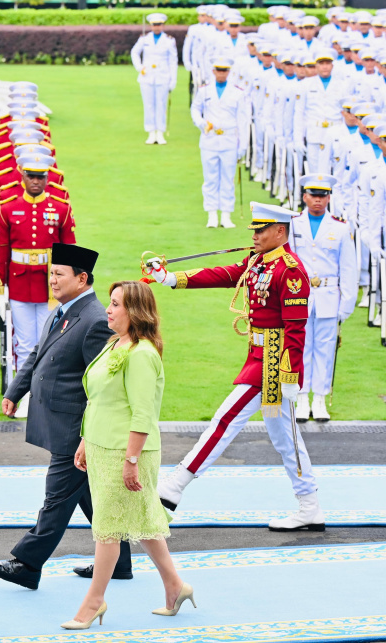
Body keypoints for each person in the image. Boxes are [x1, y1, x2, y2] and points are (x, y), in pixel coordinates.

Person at [150, 202, 325, 532]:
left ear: (280, 232)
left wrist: (290, 376)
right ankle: (310, 505)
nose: (255, 235)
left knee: (224, 420)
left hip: (273, 364)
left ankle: (174, 487)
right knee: (286, 438)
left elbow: (296, 329)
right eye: (255, 230)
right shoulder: (259, 260)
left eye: (261, 230)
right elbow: (227, 274)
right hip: (258, 357)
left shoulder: (290, 271)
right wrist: (173, 278)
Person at [0, 243, 133, 591]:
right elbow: (39, 354)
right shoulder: (60, 311)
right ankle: (120, 562)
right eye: (51, 273)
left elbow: (103, 384)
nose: (52, 279)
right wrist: (15, 390)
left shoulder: (96, 320)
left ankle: (27, 564)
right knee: (89, 496)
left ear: (82, 279)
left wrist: (88, 435)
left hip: (76, 429)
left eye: (58, 274)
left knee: (56, 498)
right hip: (60, 424)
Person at [63, 281, 192, 631]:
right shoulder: (114, 344)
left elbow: (141, 414)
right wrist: (86, 440)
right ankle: (176, 587)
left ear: (134, 312)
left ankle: (94, 601)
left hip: (128, 452)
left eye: (116, 304)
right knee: (140, 521)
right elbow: (99, 399)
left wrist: (131, 460)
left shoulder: (143, 354)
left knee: (107, 527)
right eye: (110, 302)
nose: (108, 309)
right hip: (104, 447)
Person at [0, 153, 76, 417]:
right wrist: (1, 288)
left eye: (41, 176)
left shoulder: (60, 208)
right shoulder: (8, 208)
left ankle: (48, 395)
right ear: (22, 175)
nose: (36, 181)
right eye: (31, 176)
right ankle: (24, 395)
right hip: (19, 285)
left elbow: (70, 250)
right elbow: (0, 250)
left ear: (47, 178)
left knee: (52, 343)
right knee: (24, 343)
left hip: (52, 288)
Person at [290, 174, 357, 421]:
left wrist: (346, 304)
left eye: (323, 196)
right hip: (300, 295)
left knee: (326, 349)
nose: (318, 201)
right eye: (313, 195)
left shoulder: (340, 227)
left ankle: (319, 399)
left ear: (329, 197)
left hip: (329, 295)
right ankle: (301, 398)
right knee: (301, 347)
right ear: (305, 196)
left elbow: (348, 268)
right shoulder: (293, 224)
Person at [191, 57, 248, 229]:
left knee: (227, 178)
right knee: (210, 178)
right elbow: (195, 109)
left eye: (225, 70)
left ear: (229, 72)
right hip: (210, 138)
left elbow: (243, 120)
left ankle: (226, 214)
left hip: (229, 139)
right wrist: (201, 123)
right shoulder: (204, 91)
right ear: (213, 71)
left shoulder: (238, 92)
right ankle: (211, 214)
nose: (221, 73)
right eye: (218, 70)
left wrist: (243, 145)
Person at [131, 13, 178, 145]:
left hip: (163, 76)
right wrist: (140, 67)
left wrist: (173, 80)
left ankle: (160, 132)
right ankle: (151, 132)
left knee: (161, 105)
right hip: (147, 76)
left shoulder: (169, 40)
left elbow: (173, 61)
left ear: (163, 25)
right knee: (149, 105)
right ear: (151, 26)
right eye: (154, 25)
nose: (156, 27)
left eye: (159, 25)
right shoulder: (144, 39)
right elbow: (134, 52)